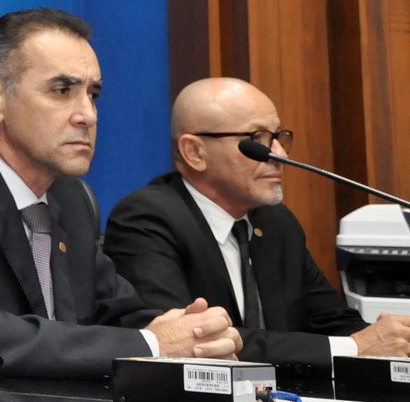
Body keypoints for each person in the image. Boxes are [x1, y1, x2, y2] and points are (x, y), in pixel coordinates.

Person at [0, 8, 242, 378]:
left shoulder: (72, 197)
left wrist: (195, 334)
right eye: (62, 91)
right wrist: (152, 345)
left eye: (93, 94)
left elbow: (117, 314)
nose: (88, 115)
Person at [104, 76, 410, 367]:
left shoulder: (277, 223)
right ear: (194, 152)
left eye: (279, 137)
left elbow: (331, 321)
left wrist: (393, 338)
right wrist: (354, 348)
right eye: (257, 139)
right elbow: (192, 343)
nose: (278, 153)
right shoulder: (146, 219)